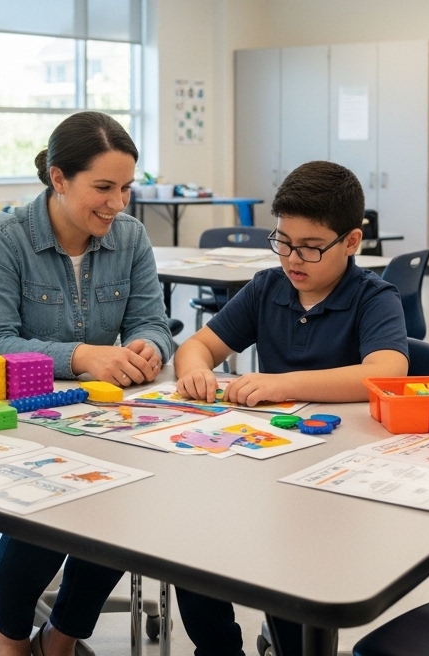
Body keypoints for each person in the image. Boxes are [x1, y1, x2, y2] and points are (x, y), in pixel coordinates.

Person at [0, 111, 174, 656]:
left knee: (124, 496)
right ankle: (8, 642)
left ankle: (60, 639)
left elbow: (152, 319)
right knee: (48, 503)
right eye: (103, 187)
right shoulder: (1, 240)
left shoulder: (130, 238)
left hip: (94, 416)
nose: (118, 203)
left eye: (125, 188)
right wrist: (81, 357)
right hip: (13, 419)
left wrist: (151, 345)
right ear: (58, 178)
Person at [171, 160, 409, 656]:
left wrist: (281, 384)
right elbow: (198, 346)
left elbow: (386, 373)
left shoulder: (374, 297)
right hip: (265, 459)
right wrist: (196, 369)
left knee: (291, 558)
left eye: (310, 247)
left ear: (352, 241)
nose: (292, 259)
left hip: (339, 477)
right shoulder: (268, 288)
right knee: (189, 540)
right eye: (282, 241)